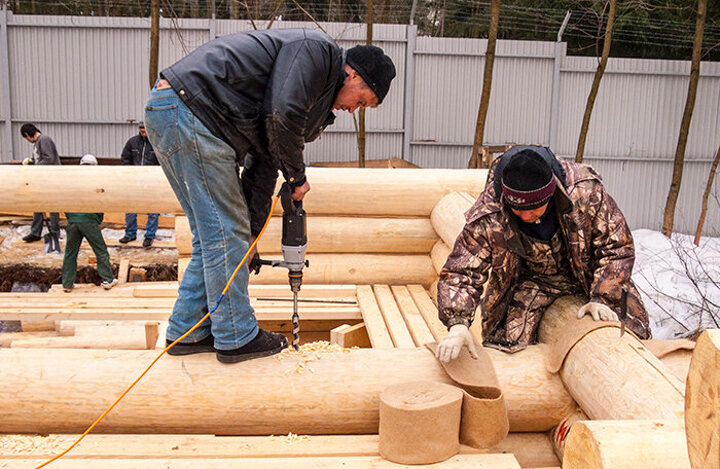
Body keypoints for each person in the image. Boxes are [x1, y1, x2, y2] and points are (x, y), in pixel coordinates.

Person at [144, 28, 396, 364]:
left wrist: (251, 230)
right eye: (362, 101)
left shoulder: (311, 97)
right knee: (223, 235)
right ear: (353, 75)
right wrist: (297, 177)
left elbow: (264, 160)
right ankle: (235, 336)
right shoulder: (317, 53)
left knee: (214, 236)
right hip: (194, 113)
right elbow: (282, 117)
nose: (355, 110)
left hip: (175, 110)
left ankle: (187, 331)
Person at [435, 145, 651, 362]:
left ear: (551, 193)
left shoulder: (585, 193)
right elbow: (462, 271)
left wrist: (604, 297)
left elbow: (617, 246)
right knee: (507, 349)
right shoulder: (490, 212)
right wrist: (458, 323)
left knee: (631, 336)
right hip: (531, 280)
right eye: (518, 209)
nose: (527, 215)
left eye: (535, 208)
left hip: (591, 274)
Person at [61, 154, 118, 292]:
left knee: (70, 253)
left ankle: (67, 284)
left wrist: (71, 217)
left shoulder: (72, 181)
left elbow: (64, 201)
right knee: (100, 251)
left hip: (73, 221)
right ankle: (107, 280)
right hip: (88, 221)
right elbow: (101, 203)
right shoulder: (96, 181)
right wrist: (97, 219)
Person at [119, 122, 160, 248]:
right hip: (135, 180)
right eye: (142, 131)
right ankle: (130, 233)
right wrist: (130, 173)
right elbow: (125, 159)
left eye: (145, 131)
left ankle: (149, 236)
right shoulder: (132, 143)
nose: (144, 133)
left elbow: (162, 162)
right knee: (131, 208)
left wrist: (155, 174)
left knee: (154, 210)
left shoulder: (156, 144)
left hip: (151, 181)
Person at [19, 123, 61, 243]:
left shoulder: (44, 140)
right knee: (37, 204)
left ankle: (54, 232)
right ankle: (35, 232)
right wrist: (31, 162)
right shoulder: (38, 143)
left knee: (52, 206)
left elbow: (49, 159)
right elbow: (41, 158)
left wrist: (35, 166)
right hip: (42, 178)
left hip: (51, 178)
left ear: (27, 135)